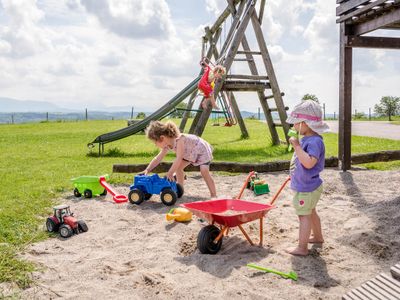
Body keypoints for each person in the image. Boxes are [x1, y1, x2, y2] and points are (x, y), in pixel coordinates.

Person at [285, 100, 330, 256]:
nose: (294, 127)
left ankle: (302, 248)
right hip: (308, 185)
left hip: (307, 188)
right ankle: (318, 237)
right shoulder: (309, 139)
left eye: (296, 123)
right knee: (311, 212)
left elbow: (309, 163)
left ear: (304, 123)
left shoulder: (315, 142)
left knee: (304, 215)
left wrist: (297, 146)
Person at [143, 120, 217, 198]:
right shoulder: (167, 145)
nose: (155, 145)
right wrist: (148, 169)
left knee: (204, 171)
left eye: (155, 142)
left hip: (201, 150)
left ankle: (213, 195)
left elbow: (179, 158)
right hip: (189, 153)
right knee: (178, 168)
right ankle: (180, 189)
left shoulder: (179, 140)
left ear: (162, 138)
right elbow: (158, 158)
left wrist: (170, 172)